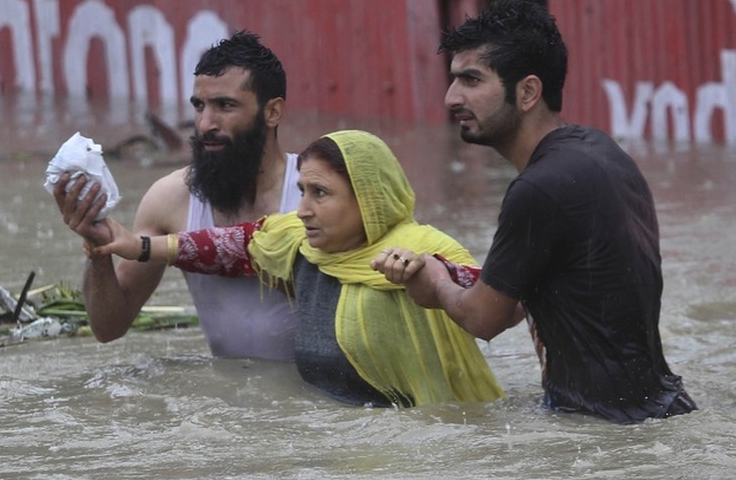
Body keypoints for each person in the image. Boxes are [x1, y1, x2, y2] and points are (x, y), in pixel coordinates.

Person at [372, 0, 696, 423]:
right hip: (659, 409)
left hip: (599, 429)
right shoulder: (601, 151)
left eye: (471, 80)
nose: (452, 98)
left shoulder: (539, 189)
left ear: (527, 92)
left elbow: (483, 319)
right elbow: (520, 302)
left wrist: (434, 280)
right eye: (454, 80)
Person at [82, 130, 503, 407]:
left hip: (427, 448)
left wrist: (432, 277)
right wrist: (134, 246)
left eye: (321, 193)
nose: (302, 210)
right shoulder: (296, 244)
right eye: (302, 191)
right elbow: (224, 246)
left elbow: (500, 300)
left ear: (368, 198)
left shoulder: (424, 249)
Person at [54, 30, 298, 361]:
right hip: (227, 403)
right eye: (199, 106)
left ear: (273, 113)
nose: (205, 124)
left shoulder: (315, 191)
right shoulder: (171, 198)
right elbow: (108, 328)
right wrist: (99, 250)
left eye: (225, 105)